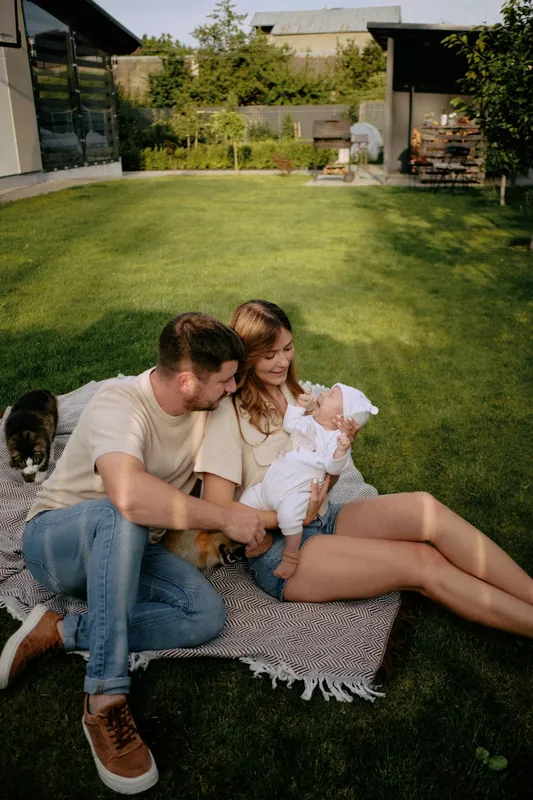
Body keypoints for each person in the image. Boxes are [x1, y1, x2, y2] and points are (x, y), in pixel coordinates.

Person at [0, 313, 265, 796]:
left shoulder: (212, 408)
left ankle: (60, 630)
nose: (232, 388)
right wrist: (224, 519)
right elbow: (128, 495)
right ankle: (104, 698)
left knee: (204, 615)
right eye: (225, 380)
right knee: (124, 508)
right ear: (188, 380)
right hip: (58, 545)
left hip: (131, 550)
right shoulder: (120, 403)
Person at [195, 299, 533, 641]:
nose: (282, 361)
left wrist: (341, 451)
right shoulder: (228, 415)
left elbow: (325, 475)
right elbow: (219, 512)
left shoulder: (297, 394)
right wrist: (293, 516)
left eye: (288, 348)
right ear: (248, 356)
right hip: (279, 550)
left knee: (426, 509)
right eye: (269, 355)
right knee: (420, 562)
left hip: (324, 517)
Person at [240, 383, 377, 579]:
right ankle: (260, 541)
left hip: (294, 493)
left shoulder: (334, 439)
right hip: (268, 487)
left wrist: (342, 450)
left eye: (330, 396)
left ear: (340, 418)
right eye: (328, 391)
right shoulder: (308, 422)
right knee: (245, 502)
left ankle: (291, 554)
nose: (324, 394)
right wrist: (299, 406)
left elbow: (333, 467)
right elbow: (290, 423)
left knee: (289, 517)